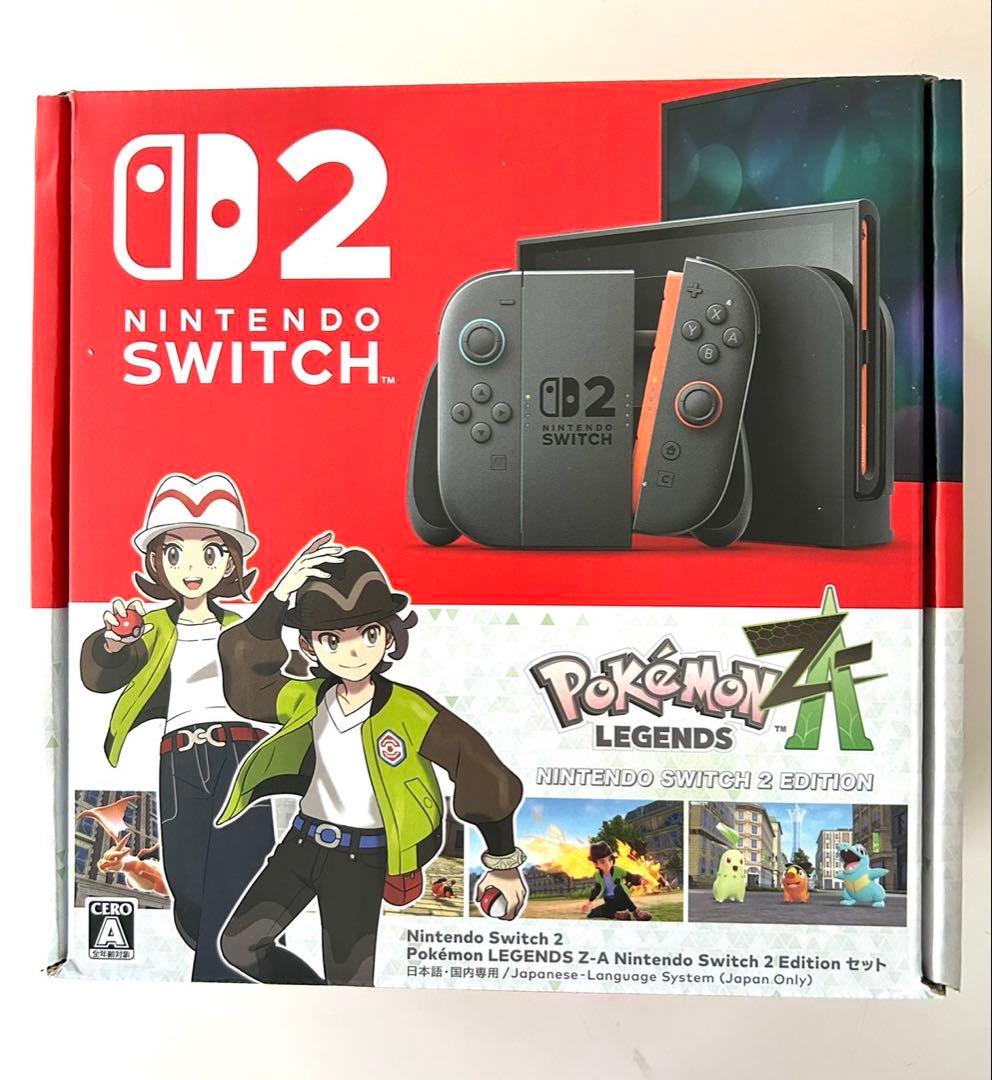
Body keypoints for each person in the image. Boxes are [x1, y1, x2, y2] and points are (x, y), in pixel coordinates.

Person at [214, 536, 527, 985]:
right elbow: (247, 682)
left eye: (369, 634)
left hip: (361, 860)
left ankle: (337, 1013)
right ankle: (315, 1005)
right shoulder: (307, 699)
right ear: (309, 646)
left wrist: (503, 861)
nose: (354, 652)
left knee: (351, 986)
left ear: (388, 634)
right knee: (239, 946)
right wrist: (279, 596)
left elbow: (479, 768)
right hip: (300, 845)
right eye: (332, 640)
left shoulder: (409, 710)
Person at [79, 473, 277, 980]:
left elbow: (276, 680)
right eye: (175, 554)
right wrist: (115, 643)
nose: (192, 569)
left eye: (209, 554)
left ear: (230, 563)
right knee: (186, 881)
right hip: (179, 759)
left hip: (240, 754)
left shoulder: (242, 627)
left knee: (242, 871)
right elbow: (101, 675)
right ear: (157, 563)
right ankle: (233, 955)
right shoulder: (154, 627)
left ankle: (217, 976)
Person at [581, 841, 652, 921]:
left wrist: (640, 880)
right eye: (602, 862)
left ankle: (636, 912)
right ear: (596, 864)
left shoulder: (617, 870)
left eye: (609, 859)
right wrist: (589, 902)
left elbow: (630, 876)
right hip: (610, 902)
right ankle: (619, 914)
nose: (607, 864)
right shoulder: (598, 876)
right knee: (592, 913)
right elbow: (597, 889)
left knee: (618, 888)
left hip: (623, 899)